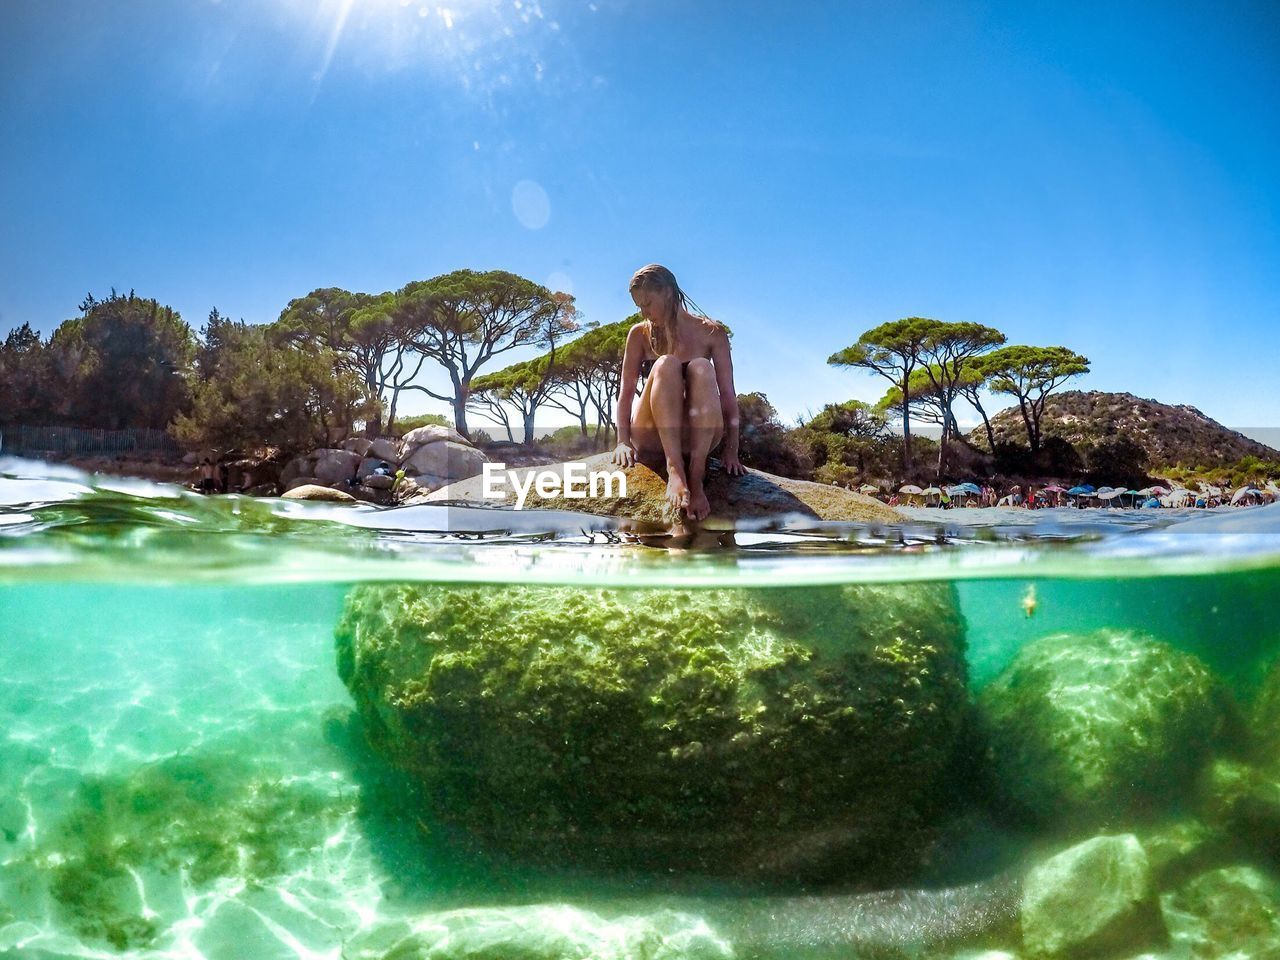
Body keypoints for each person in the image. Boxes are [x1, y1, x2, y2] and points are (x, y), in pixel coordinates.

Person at [612, 264, 745, 521]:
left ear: (669, 293)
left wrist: (732, 449)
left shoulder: (712, 333)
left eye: (648, 303)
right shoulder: (639, 334)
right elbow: (626, 392)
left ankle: (696, 476)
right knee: (666, 363)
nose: (644, 312)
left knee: (701, 367)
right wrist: (622, 441)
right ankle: (674, 468)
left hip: (701, 435)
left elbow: (728, 395)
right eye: (639, 306)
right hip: (652, 434)